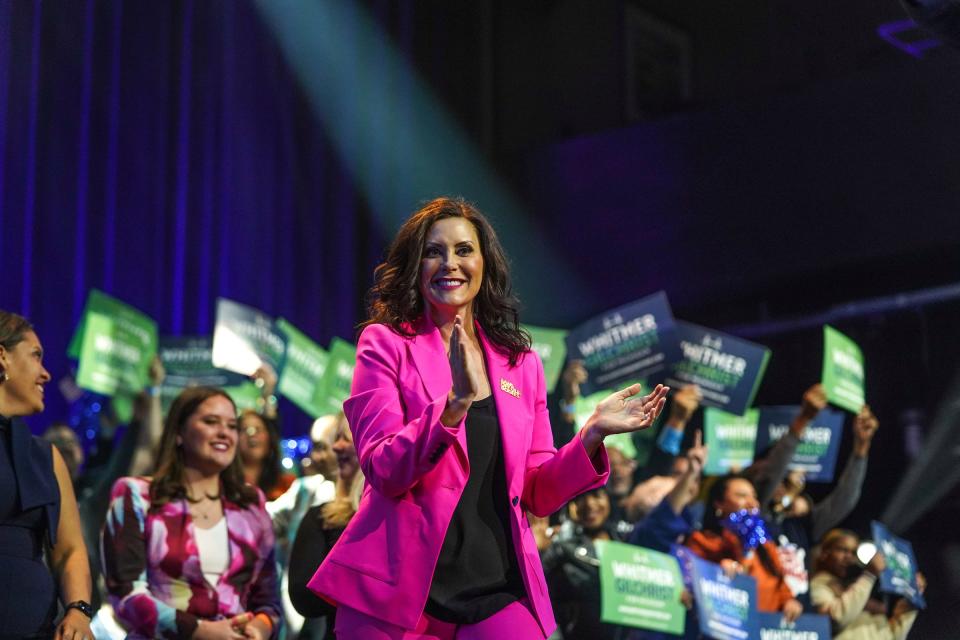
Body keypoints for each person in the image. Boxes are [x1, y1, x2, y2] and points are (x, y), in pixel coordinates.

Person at [306, 196, 669, 639]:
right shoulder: (384, 345)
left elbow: (536, 491)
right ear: (415, 265)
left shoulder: (521, 363)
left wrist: (590, 435)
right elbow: (383, 468)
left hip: (496, 583)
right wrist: (454, 404)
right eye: (433, 252)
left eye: (463, 250)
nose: (449, 264)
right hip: (400, 588)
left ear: (484, 263)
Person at [101, 386, 282, 638]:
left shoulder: (251, 504)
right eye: (210, 422)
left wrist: (259, 628)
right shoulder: (137, 496)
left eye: (232, 426)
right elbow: (126, 593)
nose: (224, 433)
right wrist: (200, 631)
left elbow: (269, 601)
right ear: (179, 433)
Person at [0, 311, 94, 638]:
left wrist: (79, 611)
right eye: (36, 356)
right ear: (2, 357)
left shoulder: (45, 458)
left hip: (35, 628)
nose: (46, 374)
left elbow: (70, 550)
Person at [685, 474, 803, 620]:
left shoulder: (766, 547)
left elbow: (781, 585)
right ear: (719, 503)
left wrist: (789, 601)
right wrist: (717, 573)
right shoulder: (702, 541)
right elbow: (690, 584)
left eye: (754, 496)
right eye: (742, 496)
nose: (752, 503)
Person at [288, 417, 366, 639]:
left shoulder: (407, 515)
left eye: (345, 437)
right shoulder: (322, 517)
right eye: (336, 438)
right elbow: (305, 597)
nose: (336, 446)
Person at [540, 487, 623, 640]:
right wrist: (538, 552)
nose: (589, 504)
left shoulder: (625, 542)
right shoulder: (560, 545)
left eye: (596, 495)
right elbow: (538, 587)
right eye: (579, 498)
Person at [810, 529, 923, 639]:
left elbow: (893, 636)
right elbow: (835, 619)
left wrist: (912, 597)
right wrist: (869, 575)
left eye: (854, 553)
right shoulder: (819, 584)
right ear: (825, 553)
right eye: (843, 550)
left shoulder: (865, 587)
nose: (849, 557)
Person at [238, 365, 296, 501]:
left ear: (270, 438)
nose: (252, 434)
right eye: (244, 429)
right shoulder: (221, 488)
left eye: (258, 429)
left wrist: (269, 390)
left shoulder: (288, 489)